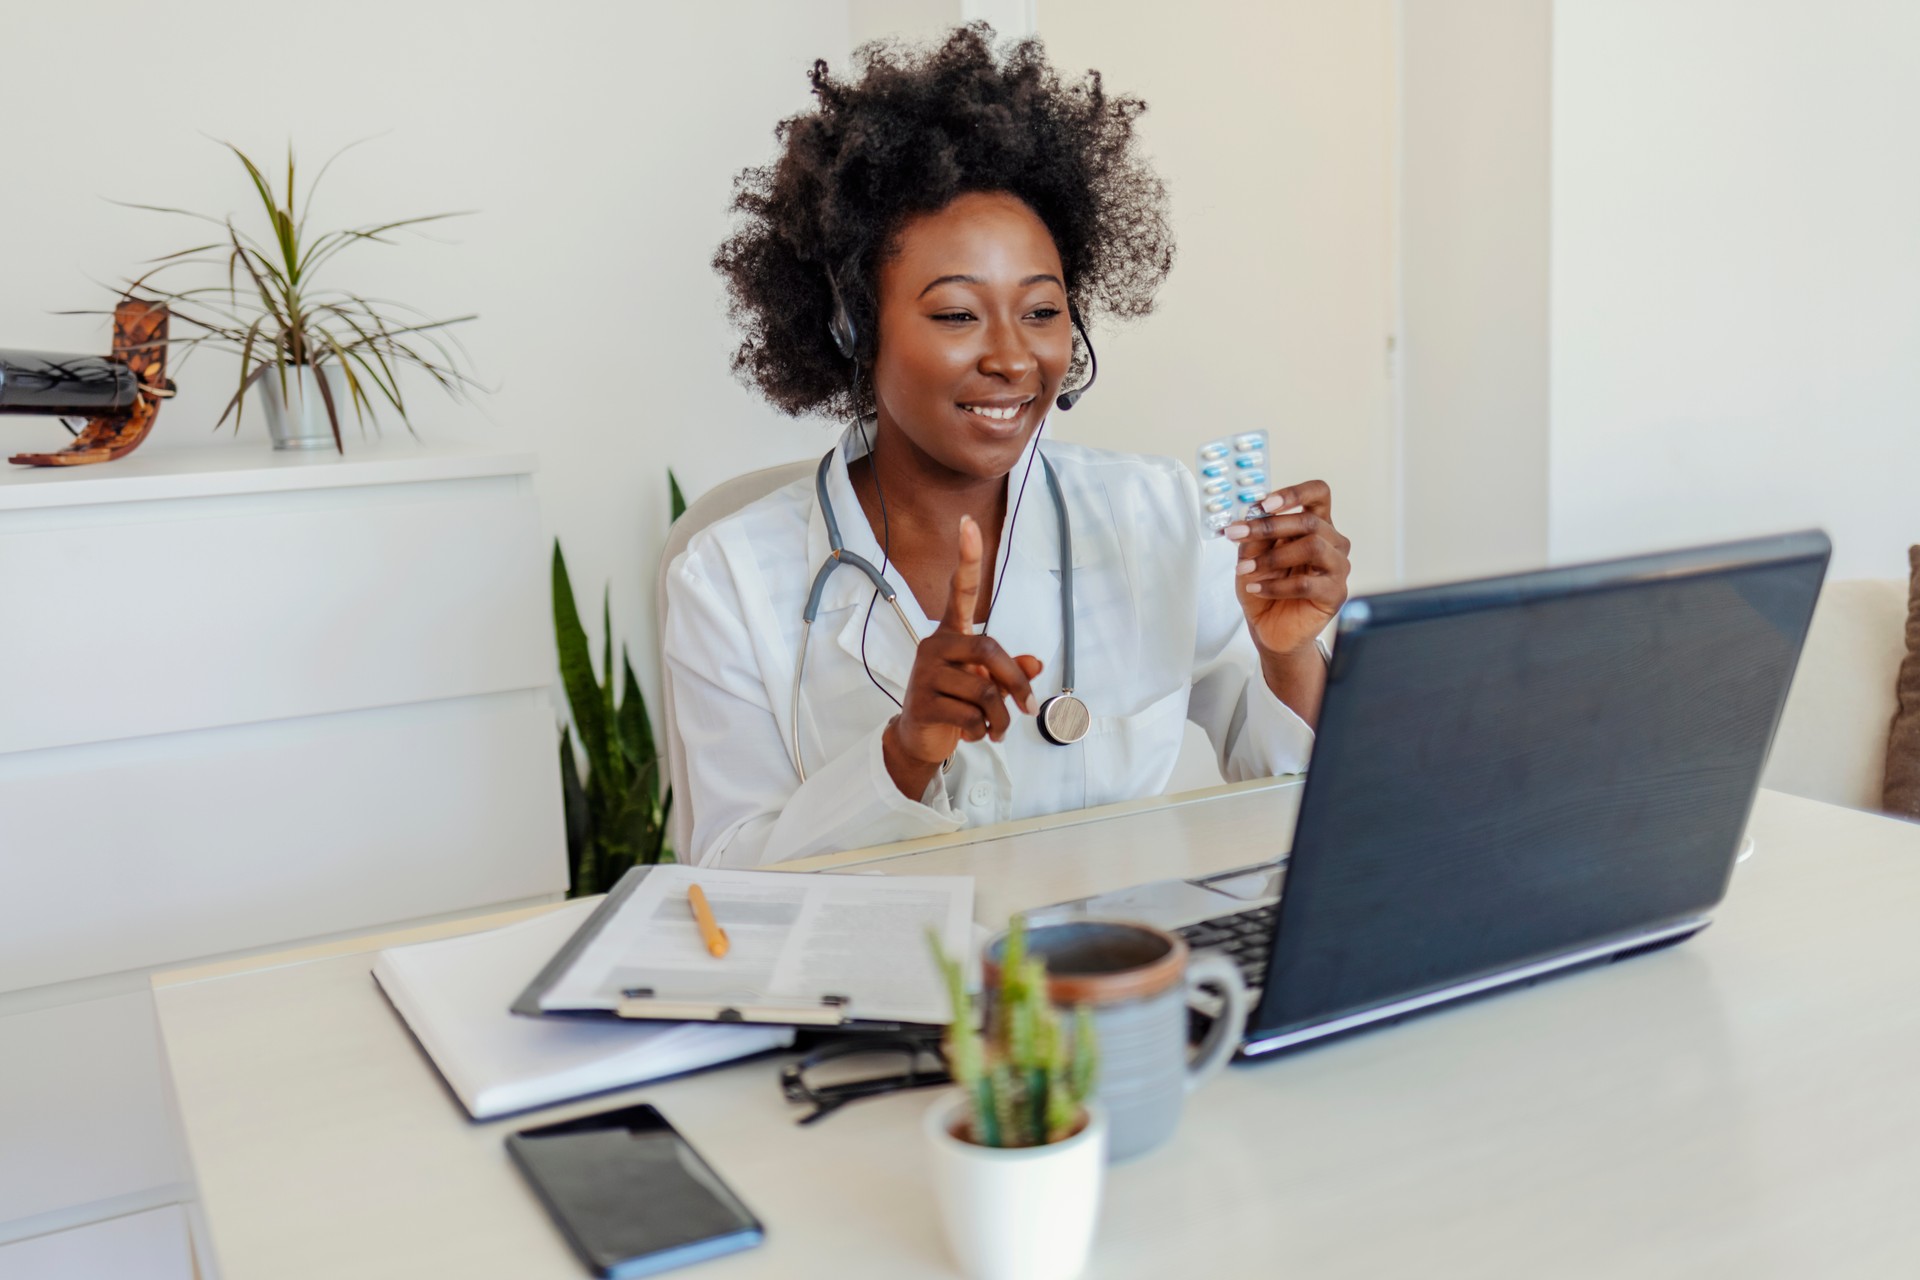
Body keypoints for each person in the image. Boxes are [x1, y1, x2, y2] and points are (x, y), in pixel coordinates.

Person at [669, 25, 1352, 868]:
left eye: (1041, 311)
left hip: (1108, 973)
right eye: (957, 314)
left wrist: (1285, 655)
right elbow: (728, 881)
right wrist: (904, 754)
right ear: (853, 326)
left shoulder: (1157, 513)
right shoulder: (728, 578)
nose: (1013, 358)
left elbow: (1293, 802)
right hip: (890, 988)